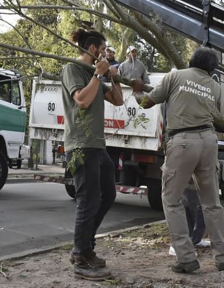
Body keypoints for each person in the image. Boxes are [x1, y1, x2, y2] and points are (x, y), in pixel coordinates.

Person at [132, 46, 224, 273]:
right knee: (212, 203)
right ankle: (223, 257)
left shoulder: (176, 75)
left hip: (183, 142)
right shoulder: (215, 88)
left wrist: (136, 91)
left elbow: (147, 102)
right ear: (211, 68)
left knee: (171, 199)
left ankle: (186, 257)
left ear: (191, 60)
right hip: (208, 142)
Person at [61, 28, 123, 280]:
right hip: (80, 145)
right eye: (104, 48)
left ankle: (85, 245)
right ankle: (81, 256)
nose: (106, 53)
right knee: (87, 200)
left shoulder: (94, 74)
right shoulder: (73, 69)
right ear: (94, 49)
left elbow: (117, 100)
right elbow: (82, 100)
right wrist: (98, 74)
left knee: (107, 195)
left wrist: (114, 77)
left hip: (98, 146)